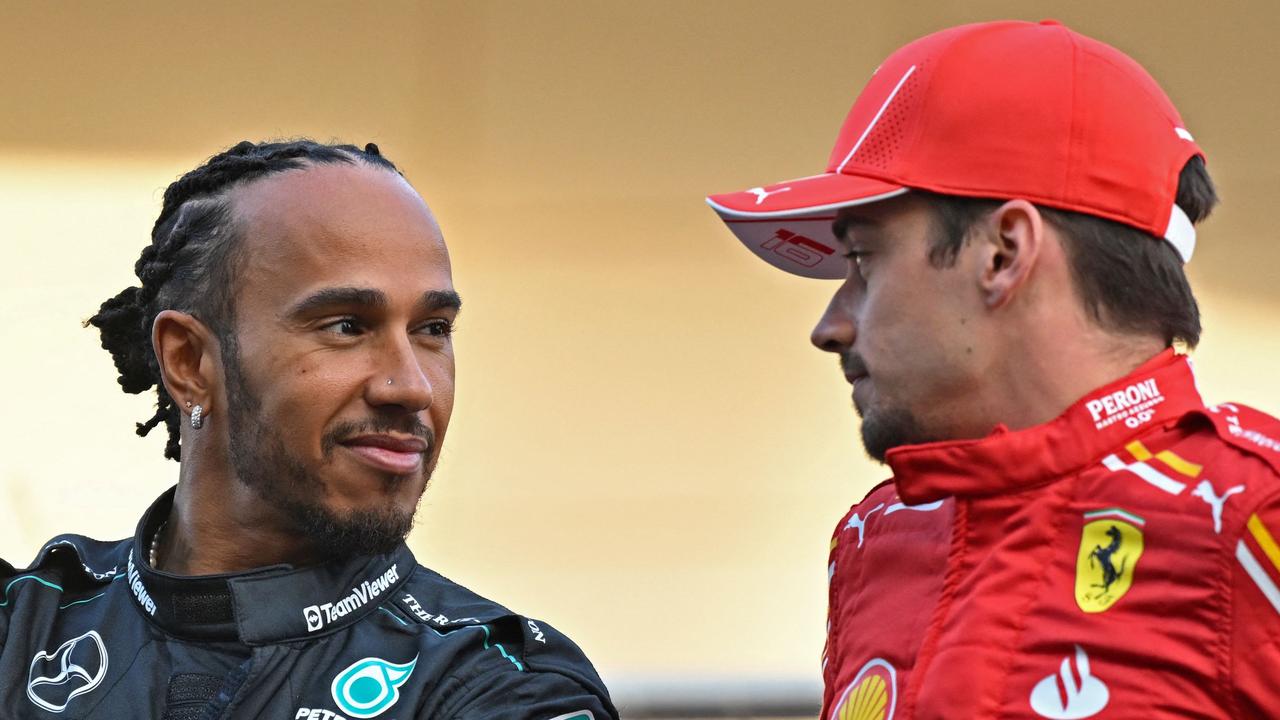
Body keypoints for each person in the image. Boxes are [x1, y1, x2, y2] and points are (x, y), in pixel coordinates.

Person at [706, 20, 1280, 719]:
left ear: (1004, 254)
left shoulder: (1255, 512)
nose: (830, 327)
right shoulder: (878, 535)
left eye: (861, 260)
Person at [0, 140, 616, 719]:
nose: (411, 387)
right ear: (189, 362)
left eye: (433, 329)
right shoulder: (24, 626)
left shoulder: (495, 683)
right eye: (347, 326)